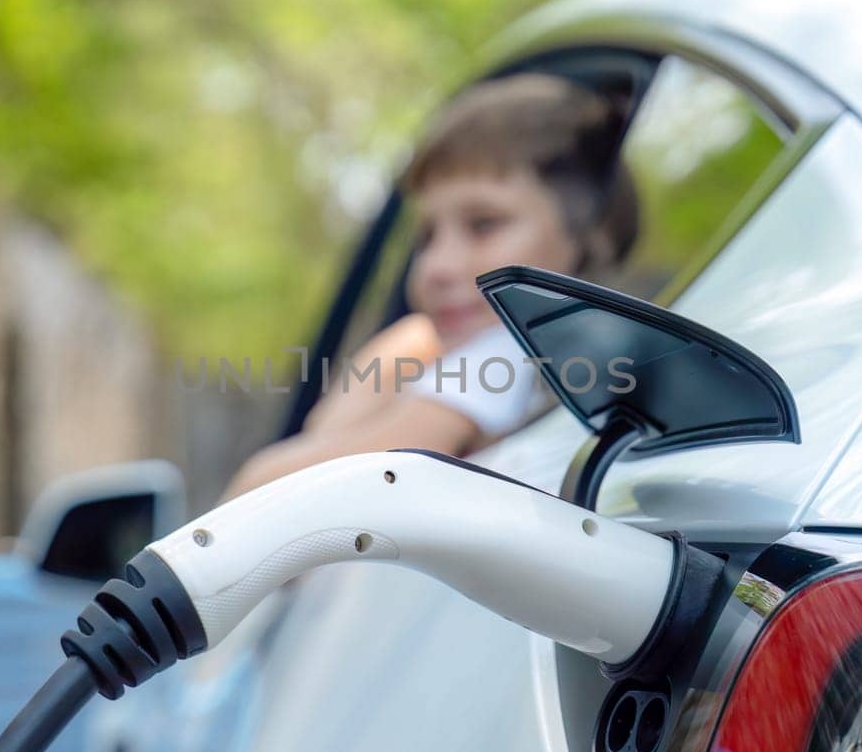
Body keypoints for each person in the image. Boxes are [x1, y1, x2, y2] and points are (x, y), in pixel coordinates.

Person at [225, 72, 638, 497]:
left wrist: (262, 471)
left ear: (590, 242)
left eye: (484, 225)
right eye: (426, 236)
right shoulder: (518, 360)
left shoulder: (503, 353)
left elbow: (321, 484)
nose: (436, 265)